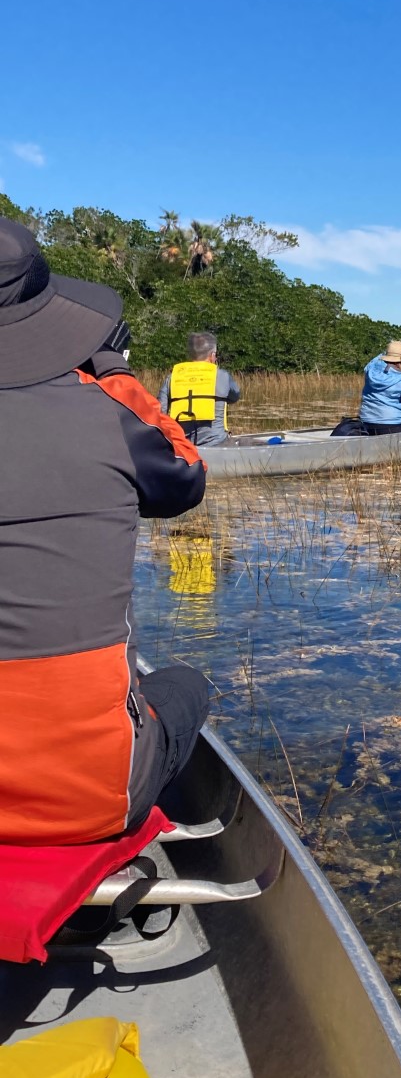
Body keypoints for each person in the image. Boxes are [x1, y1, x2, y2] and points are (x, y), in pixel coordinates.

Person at [0, 216, 209, 845]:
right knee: (186, 687)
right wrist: (113, 372)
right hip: (88, 799)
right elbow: (184, 479)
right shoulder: (105, 414)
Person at [158, 331, 241, 446]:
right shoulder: (222, 376)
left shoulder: (172, 378)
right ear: (212, 356)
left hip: (183, 446)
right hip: (216, 443)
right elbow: (235, 396)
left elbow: (160, 412)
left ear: (191, 355)